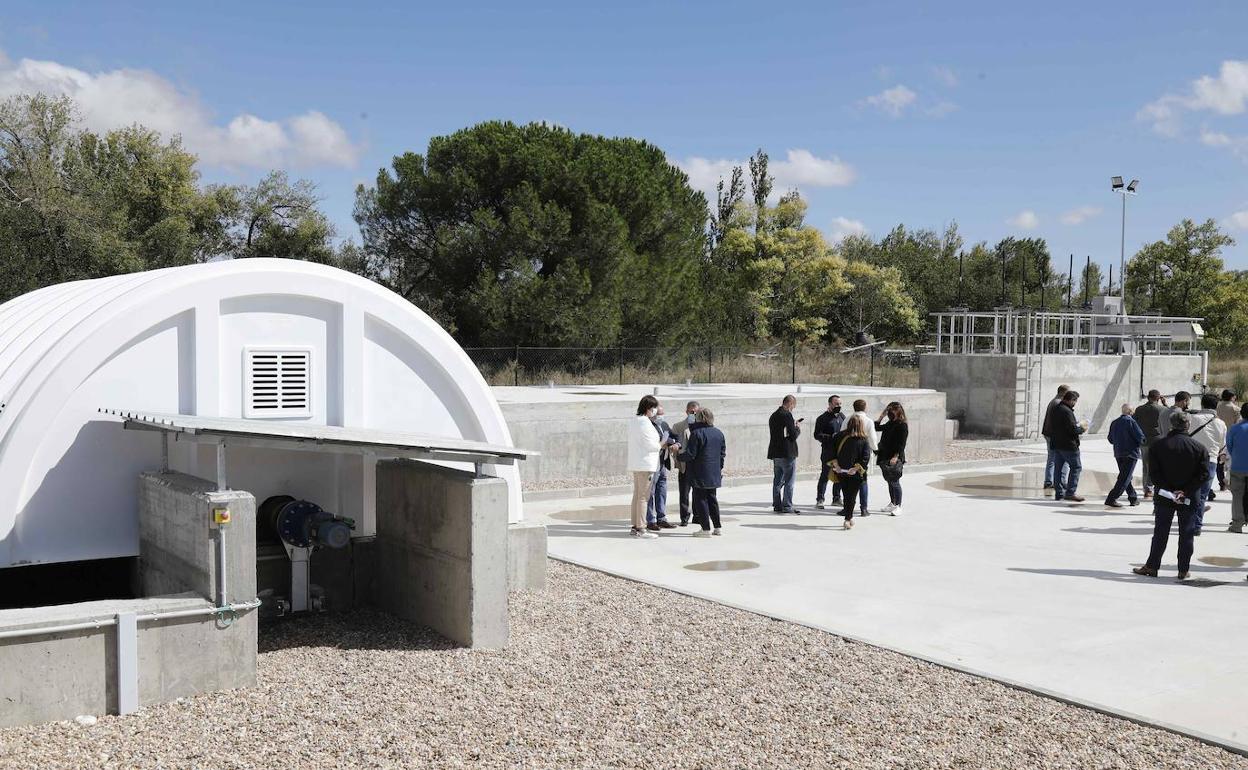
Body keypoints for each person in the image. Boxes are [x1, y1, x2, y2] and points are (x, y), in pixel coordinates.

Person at [1133, 411, 1210, 580]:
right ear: (1188, 425)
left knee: (1160, 532)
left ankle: (1152, 566)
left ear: (1171, 425)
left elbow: (1154, 473)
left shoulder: (1158, 446)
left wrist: (1170, 490)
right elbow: (1204, 475)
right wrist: (1185, 491)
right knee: (1186, 534)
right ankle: (1183, 569)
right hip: (1189, 497)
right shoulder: (1199, 448)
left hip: (1165, 496)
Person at [678, 407, 726, 537]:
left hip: (699, 472)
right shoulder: (718, 433)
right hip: (714, 472)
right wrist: (719, 469)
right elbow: (722, 454)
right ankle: (717, 527)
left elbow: (690, 454)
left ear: (700, 418)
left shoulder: (697, 433)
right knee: (712, 499)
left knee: (701, 500)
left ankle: (705, 529)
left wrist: (678, 454)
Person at [1185, 393, 1227, 536]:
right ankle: (1196, 526)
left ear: (1202, 404)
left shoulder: (1192, 418)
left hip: (1191, 460)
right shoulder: (1221, 423)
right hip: (1210, 461)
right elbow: (1222, 445)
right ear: (1216, 406)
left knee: (1189, 493)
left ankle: (1186, 523)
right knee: (1202, 495)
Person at [627, 396, 662, 539]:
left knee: (637, 495)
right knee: (643, 497)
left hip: (637, 463)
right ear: (648, 408)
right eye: (654, 408)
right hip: (645, 464)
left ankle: (635, 526)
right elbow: (651, 445)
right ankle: (641, 528)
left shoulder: (634, 421)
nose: (655, 411)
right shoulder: (645, 423)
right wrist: (662, 443)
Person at [830, 414, 872, 530]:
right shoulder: (863, 439)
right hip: (855, 473)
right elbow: (865, 457)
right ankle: (848, 519)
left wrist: (836, 465)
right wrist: (856, 468)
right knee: (851, 496)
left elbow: (832, 451)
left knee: (846, 494)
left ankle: (849, 517)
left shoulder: (839, 436)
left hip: (841, 471)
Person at [645, 406, 679, 531]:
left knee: (662, 489)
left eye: (663, 413)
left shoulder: (664, 424)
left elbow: (674, 435)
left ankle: (661, 518)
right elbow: (658, 440)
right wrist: (670, 440)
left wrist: (676, 443)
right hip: (653, 464)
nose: (661, 416)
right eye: (659, 413)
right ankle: (650, 520)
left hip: (663, 462)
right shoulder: (648, 425)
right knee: (651, 491)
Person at [1050, 390, 1087, 502]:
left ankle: (1059, 493)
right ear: (1071, 400)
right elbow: (1072, 429)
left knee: (1058, 469)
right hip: (1068, 445)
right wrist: (1082, 428)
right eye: (1075, 401)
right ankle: (1070, 492)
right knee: (1076, 467)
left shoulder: (1056, 408)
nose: (1075, 403)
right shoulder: (1067, 411)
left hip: (1057, 443)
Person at [1105, 404, 1145, 508]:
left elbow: (1110, 439)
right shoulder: (1131, 422)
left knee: (1125, 476)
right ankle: (1112, 498)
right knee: (1124, 477)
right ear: (1131, 412)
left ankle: (1133, 498)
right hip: (1131, 453)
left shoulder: (1114, 422)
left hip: (1118, 452)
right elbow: (1141, 437)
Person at [767, 395, 802, 514]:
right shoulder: (787, 414)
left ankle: (777, 505)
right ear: (790, 404)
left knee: (777, 480)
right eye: (793, 407)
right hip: (787, 453)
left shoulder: (773, 415)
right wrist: (797, 428)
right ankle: (787, 505)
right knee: (789, 481)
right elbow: (792, 435)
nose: (793, 409)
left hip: (775, 453)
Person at [874, 401, 909, 516]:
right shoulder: (890, 423)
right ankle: (892, 503)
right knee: (889, 480)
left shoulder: (902, 425)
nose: (890, 414)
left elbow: (902, 444)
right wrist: (881, 416)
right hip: (885, 454)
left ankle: (898, 505)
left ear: (899, 412)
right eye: (889, 411)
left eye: (892, 412)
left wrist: (896, 456)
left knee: (894, 481)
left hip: (894, 456)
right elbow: (877, 427)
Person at [813, 395, 846, 509]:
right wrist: (832, 437)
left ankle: (836, 498)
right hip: (828, 452)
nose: (839, 406)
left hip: (840, 452)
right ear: (830, 404)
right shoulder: (822, 418)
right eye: (836, 404)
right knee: (825, 475)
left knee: (839, 475)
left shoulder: (842, 416)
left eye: (840, 404)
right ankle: (820, 500)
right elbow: (817, 435)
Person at [670, 400, 700, 526]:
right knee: (684, 493)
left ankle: (697, 516)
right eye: (691, 411)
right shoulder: (678, 426)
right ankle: (684, 517)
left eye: (696, 411)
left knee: (698, 492)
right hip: (685, 465)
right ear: (686, 411)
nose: (693, 413)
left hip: (698, 465)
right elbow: (673, 446)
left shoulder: (702, 426)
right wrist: (678, 459)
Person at [1134, 390, 1167, 499]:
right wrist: (1165, 403)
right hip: (1157, 441)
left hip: (1143, 441)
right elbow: (1173, 413)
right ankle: (1150, 487)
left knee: (1145, 465)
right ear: (1158, 398)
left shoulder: (1139, 409)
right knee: (1156, 465)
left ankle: (1146, 488)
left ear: (1148, 398)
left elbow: (1134, 423)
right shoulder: (1162, 409)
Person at [1041, 384, 1070, 493]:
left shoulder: (1054, 401)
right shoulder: (1058, 404)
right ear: (1063, 393)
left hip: (1049, 434)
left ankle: (1049, 482)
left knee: (1052, 458)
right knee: (1062, 458)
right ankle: (1061, 482)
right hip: (1053, 435)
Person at [851, 399, 878, 516]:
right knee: (863, 481)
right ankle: (864, 508)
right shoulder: (868, 421)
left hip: (850, 454)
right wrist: (875, 449)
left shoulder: (848, 419)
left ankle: (848, 507)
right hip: (863, 455)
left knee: (849, 483)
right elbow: (872, 438)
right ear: (865, 407)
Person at [1226, 403, 1248, 534]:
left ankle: (1237, 524)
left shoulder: (1234, 428)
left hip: (1238, 466)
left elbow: (1229, 446)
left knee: (1237, 496)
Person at [1216, 389, 1240, 492]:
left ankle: (1222, 483)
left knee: (1219, 462)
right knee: (1232, 462)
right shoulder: (1236, 409)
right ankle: (1229, 481)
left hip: (1218, 435)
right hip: (1231, 437)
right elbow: (1238, 425)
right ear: (1232, 397)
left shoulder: (1217, 406)